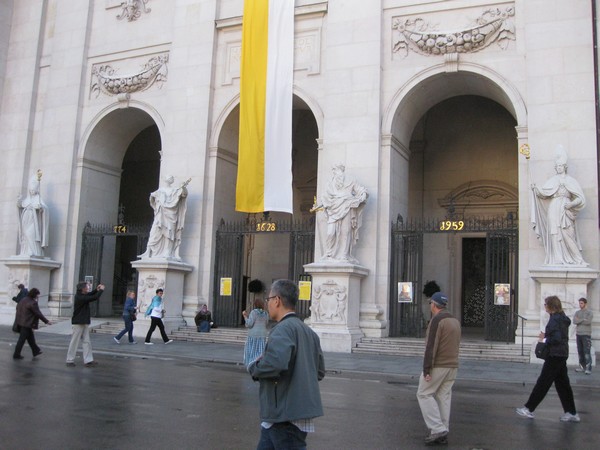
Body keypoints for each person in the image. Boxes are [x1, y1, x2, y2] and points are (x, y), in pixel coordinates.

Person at [247, 279, 325, 450]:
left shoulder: (282, 329)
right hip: (287, 414)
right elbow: (319, 372)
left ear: (277, 300)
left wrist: (254, 368)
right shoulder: (309, 332)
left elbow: (275, 364)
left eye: (268, 300)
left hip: (284, 414)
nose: (268, 304)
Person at [516, 295, 580, 422]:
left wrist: (544, 339)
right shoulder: (562, 318)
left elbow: (556, 338)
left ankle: (529, 408)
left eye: (546, 304)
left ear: (551, 306)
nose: (544, 306)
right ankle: (571, 412)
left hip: (554, 355)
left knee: (543, 383)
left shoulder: (555, 319)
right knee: (563, 385)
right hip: (562, 354)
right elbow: (560, 336)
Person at [417, 292, 461, 446]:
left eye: (430, 303)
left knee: (423, 394)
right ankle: (443, 429)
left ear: (434, 305)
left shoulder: (437, 320)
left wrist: (427, 369)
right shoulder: (454, 320)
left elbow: (431, 346)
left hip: (439, 365)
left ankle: (437, 429)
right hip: (452, 365)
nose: (430, 306)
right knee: (444, 397)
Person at [531, 145, 587, 266]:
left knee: (569, 234)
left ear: (565, 167)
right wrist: (536, 189)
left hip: (565, 209)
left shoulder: (571, 180)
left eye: (561, 166)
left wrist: (571, 204)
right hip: (554, 207)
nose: (559, 168)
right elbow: (544, 193)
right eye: (557, 166)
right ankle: (557, 259)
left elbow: (580, 198)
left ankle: (578, 259)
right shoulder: (552, 180)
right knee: (554, 233)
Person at [319, 164, 368, 263]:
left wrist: (363, 194)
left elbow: (360, 190)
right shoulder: (330, 182)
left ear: (340, 170)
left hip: (347, 206)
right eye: (332, 170)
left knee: (345, 232)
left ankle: (344, 255)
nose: (333, 172)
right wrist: (325, 202)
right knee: (330, 232)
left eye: (334, 170)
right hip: (333, 209)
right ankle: (329, 254)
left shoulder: (351, 180)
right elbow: (325, 195)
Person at [139, 175, 189, 260]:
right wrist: (153, 197)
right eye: (169, 177)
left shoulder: (175, 190)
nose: (171, 178)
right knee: (154, 233)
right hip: (160, 215)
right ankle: (149, 251)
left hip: (171, 215)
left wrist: (183, 188)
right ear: (165, 180)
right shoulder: (160, 191)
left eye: (172, 177)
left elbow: (184, 194)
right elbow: (152, 201)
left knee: (169, 234)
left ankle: (168, 252)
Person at [66, 282, 105, 367]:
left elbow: (90, 294)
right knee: (74, 341)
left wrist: (96, 290)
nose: (88, 288)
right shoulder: (80, 297)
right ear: (82, 289)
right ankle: (69, 359)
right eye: (86, 287)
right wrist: (101, 290)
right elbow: (94, 297)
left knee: (87, 341)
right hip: (78, 322)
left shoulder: (82, 295)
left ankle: (88, 360)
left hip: (84, 321)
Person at [17, 170, 49, 257]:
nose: (32, 191)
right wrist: (19, 201)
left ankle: (35, 252)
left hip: (34, 221)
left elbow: (45, 208)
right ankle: (25, 252)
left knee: (31, 234)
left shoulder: (38, 199)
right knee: (25, 235)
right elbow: (21, 206)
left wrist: (41, 208)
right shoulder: (27, 200)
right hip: (25, 220)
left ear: (36, 190)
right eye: (30, 189)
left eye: (33, 189)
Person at [13, 288, 51, 359]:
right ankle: (16, 354)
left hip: (21, 322)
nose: (38, 296)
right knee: (22, 340)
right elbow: (38, 313)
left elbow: (17, 308)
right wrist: (46, 321)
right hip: (26, 323)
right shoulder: (33, 303)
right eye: (37, 295)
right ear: (34, 294)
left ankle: (35, 350)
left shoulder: (23, 300)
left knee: (30, 338)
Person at [242, 298, 269, 366]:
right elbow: (266, 323)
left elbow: (249, 324)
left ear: (255, 305)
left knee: (252, 351)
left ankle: (252, 364)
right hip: (263, 335)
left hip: (253, 335)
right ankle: (260, 364)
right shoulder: (265, 313)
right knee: (260, 351)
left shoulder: (253, 312)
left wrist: (245, 316)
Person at [573, 297, 593, 375]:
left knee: (586, 352)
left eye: (581, 303)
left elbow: (588, 322)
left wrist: (580, 320)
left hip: (586, 334)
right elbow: (574, 321)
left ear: (585, 304)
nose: (580, 305)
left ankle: (588, 368)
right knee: (580, 351)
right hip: (578, 334)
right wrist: (582, 319)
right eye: (579, 303)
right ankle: (582, 367)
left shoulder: (589, 312)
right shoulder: (577, 312)